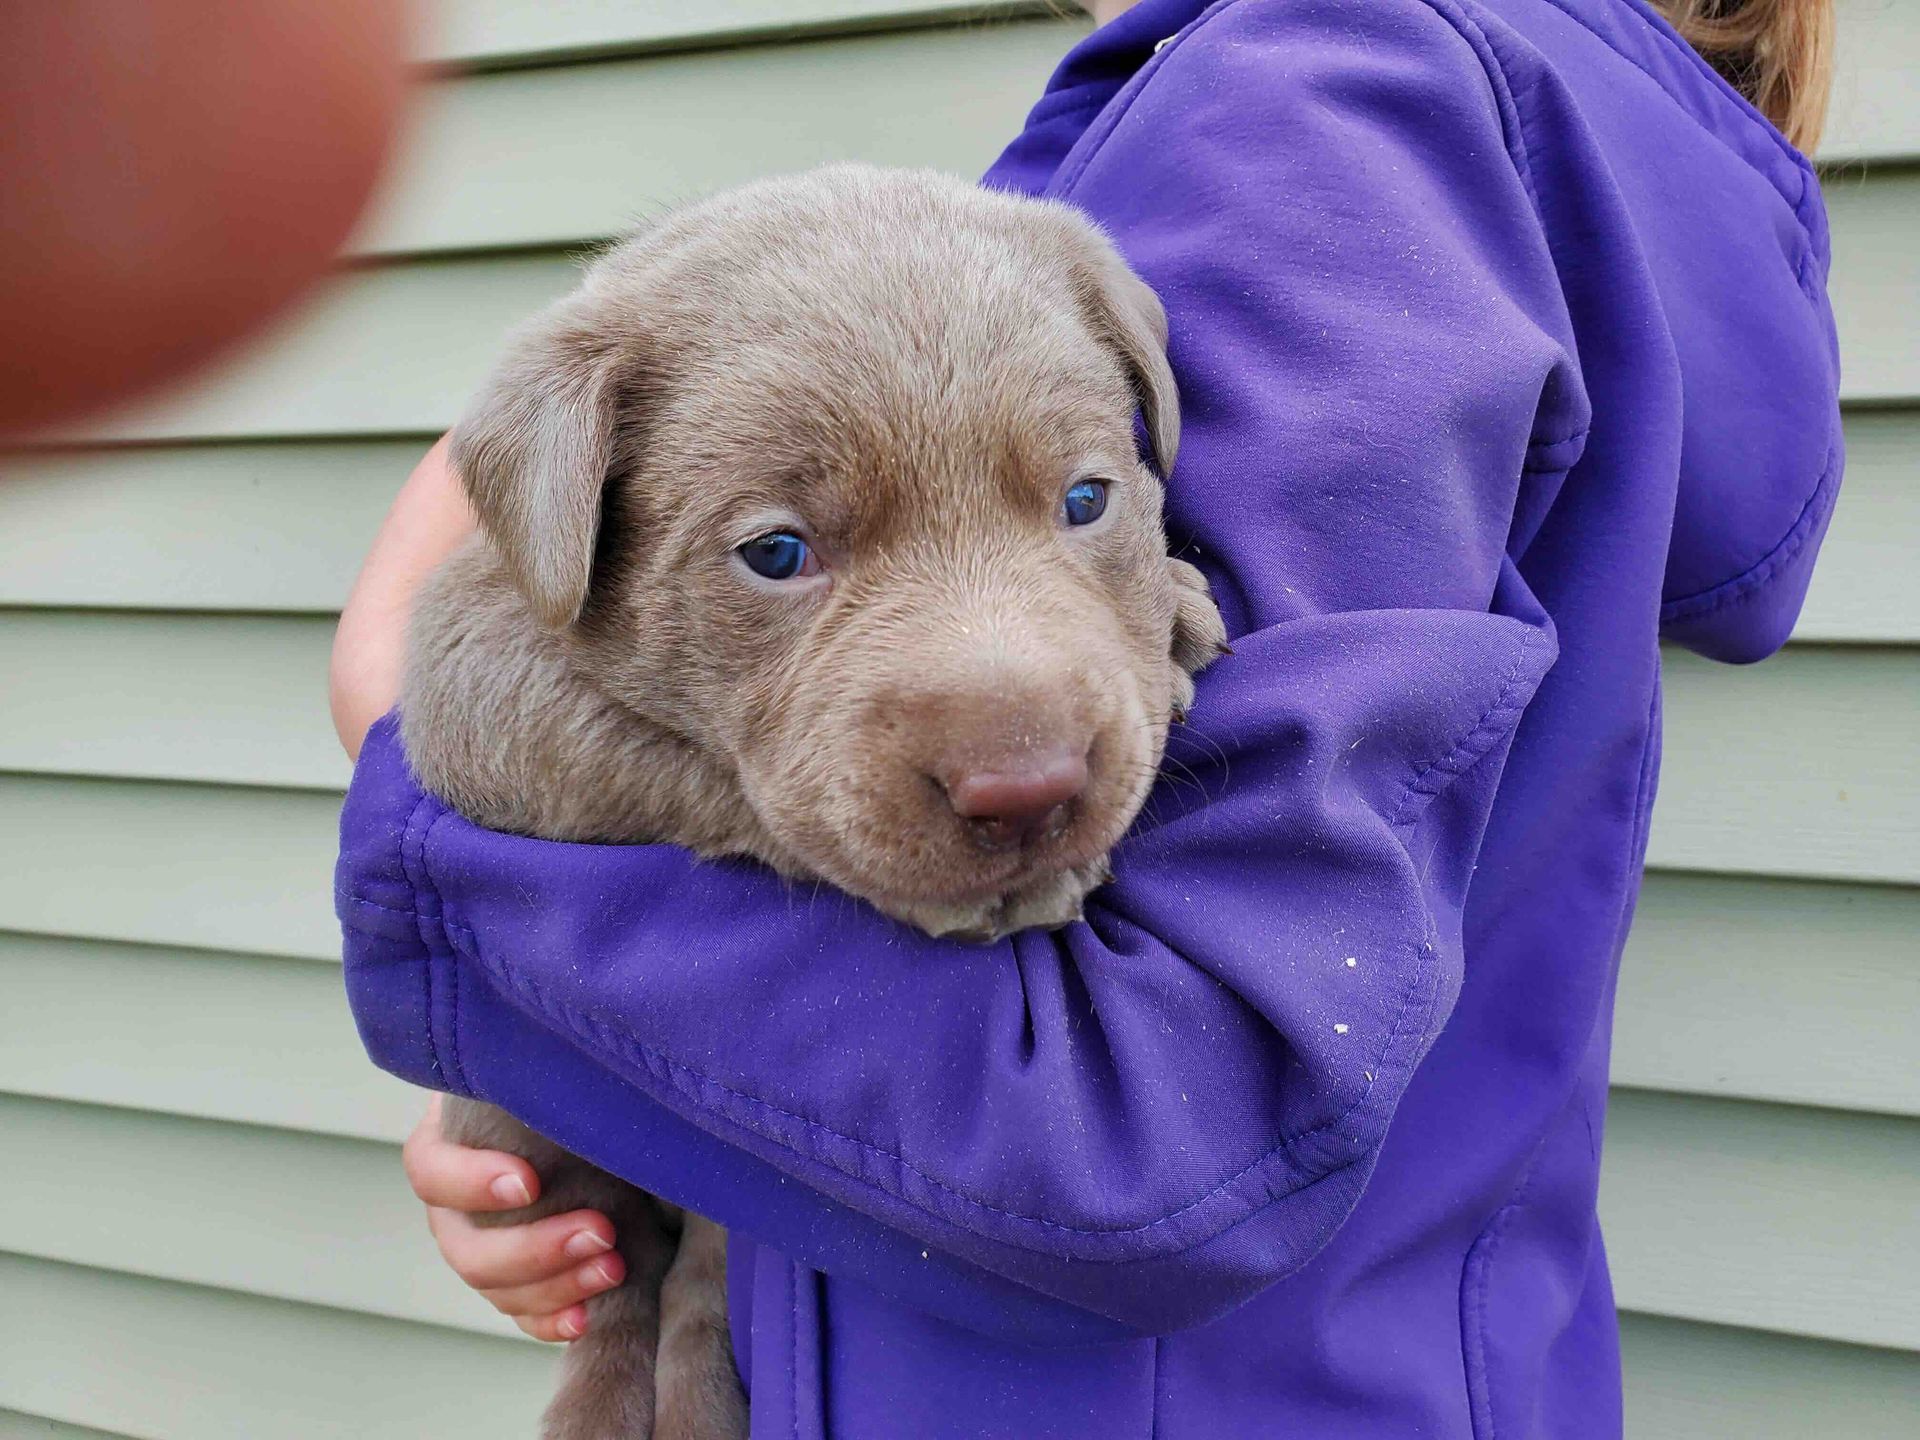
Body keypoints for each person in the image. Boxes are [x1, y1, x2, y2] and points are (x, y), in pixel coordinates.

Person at [331, 0, 1841, 1433]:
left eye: (1081, 506)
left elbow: (1152, 1132)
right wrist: (595, 1091)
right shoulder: (1215, 117)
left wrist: (442, 806)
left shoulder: (1325, 117)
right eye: (782, 554)